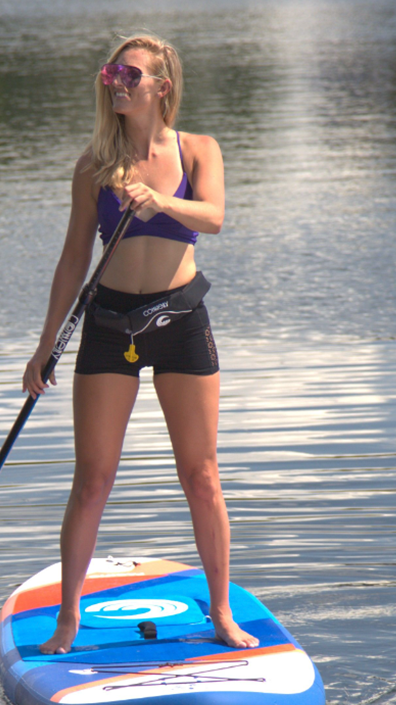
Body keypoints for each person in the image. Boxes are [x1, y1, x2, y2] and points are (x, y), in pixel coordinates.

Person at [22, 33, 258, 655]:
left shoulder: (199, 149)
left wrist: (160, 199)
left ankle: (223, 615)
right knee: (93, 478)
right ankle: (67, 622)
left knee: (201, 475)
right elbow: (75, 256)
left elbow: (215, 216)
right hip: (110, 324)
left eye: (130, 73)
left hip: (180, 319)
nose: (116, 81)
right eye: (110, 72)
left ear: (162, 87)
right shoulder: (94, 165)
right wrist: (46, 344)